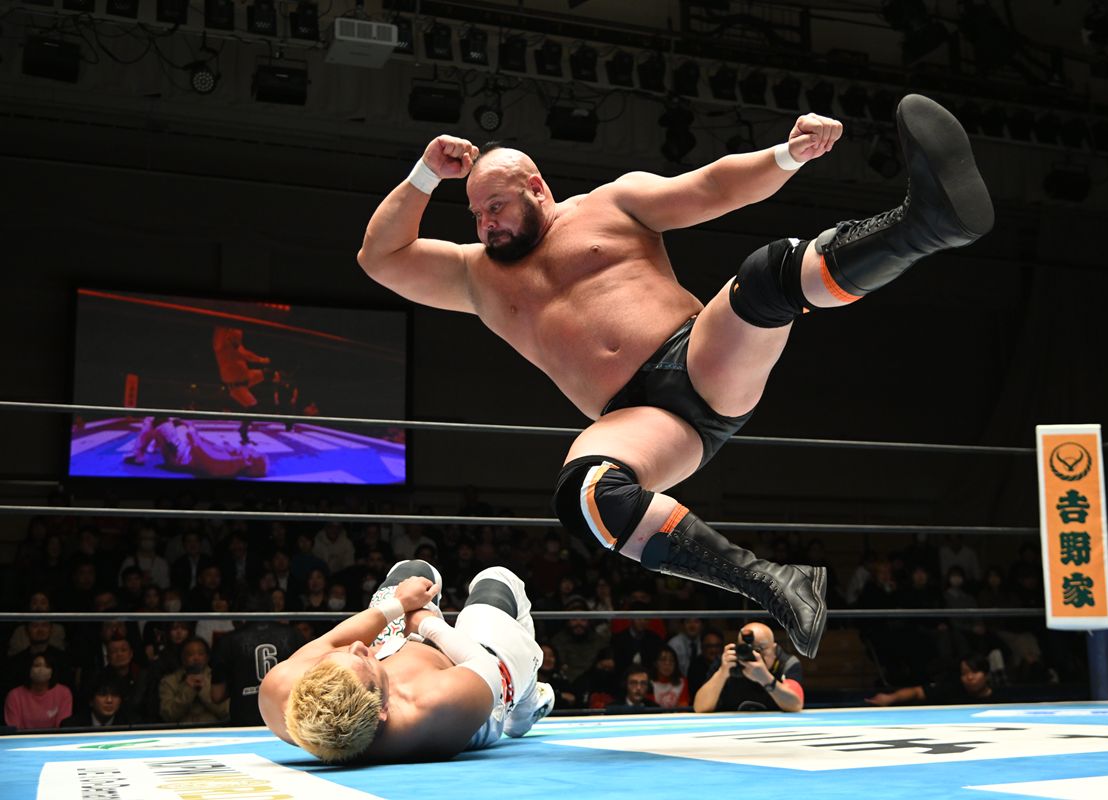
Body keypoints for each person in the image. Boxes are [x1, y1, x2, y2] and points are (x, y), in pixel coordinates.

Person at [357, 93, 993, 659]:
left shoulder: (611, 203)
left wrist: (787, 154)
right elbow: (380, 257)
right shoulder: (474, 274)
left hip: (699, 355)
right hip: (644, 421)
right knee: (588, 495)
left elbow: (710, 187)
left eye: (495, 205)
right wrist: (425, 176)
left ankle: (921, 224)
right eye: (476, 214)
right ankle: (774, 582)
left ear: (536, 187)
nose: (486, 224)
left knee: (767, 276)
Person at [259, 560, 553, 763]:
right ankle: (525, 707)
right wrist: (426, 623)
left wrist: (399, 604)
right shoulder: (433, 705)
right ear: (384, 709)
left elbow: (333, 642)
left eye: (344, 655)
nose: (359, 646)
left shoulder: (281, 693)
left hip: (400, 651)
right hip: (480, 685)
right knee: (496, 580)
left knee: (413, 571)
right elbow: (483, 665)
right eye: (364, 659)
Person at [210, 598, 307, 727]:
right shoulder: (293, 635)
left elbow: (217, 695)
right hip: (286, 720)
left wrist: (240, 683)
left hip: (245, 721)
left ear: (239, 615)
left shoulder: (228, 641)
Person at [693, 622, 804, 713]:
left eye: (760, 649)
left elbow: (795, 705)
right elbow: (700, 707)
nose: (755, 655)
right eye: (748, 649)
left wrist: (765, 678)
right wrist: (722, 673)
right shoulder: (727, 662)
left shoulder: (786, 663)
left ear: (774, 649)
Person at [125, 417, 268, 479]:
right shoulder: (234, 460)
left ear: (249, 461)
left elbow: (201, 451)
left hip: (179, 454)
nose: (251, 449)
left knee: (157, 419)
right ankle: (153, 444)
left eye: (253, 452)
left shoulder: (228, 464)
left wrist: (191, 429)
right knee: (176, 422)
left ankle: (138, 454)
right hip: (185, 448)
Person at [866, 653, 1001, 706]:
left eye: (975, 672)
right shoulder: (951, 690)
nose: (969, 677)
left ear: (986, 675)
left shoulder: (1001, 700)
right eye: (965, 673)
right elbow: (917, 692)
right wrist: (891, 698)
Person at [158, 637, 229, 724]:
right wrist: (188, 690)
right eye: (190, 654)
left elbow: (226, 711)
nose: (196, 658)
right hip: (181, 730)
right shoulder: (169, 681)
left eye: (201, 654)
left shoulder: (219, 678)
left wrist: (203, 689)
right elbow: (168, 715)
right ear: (182, 658)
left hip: (212, 729)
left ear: (207, 657)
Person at [4, 655, 72, 730]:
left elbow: (63, 727)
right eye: (37, 665)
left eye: (47, 666)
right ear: (29, 669)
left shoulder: (63, 693)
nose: (41, 669)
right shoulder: (14, 696)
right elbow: (14, 729)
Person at [63, 680, 131, 728]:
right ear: (91, 701)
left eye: (115, 695)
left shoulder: (130, 724)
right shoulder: (72, 725)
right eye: (103, 694)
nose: (109, 700)